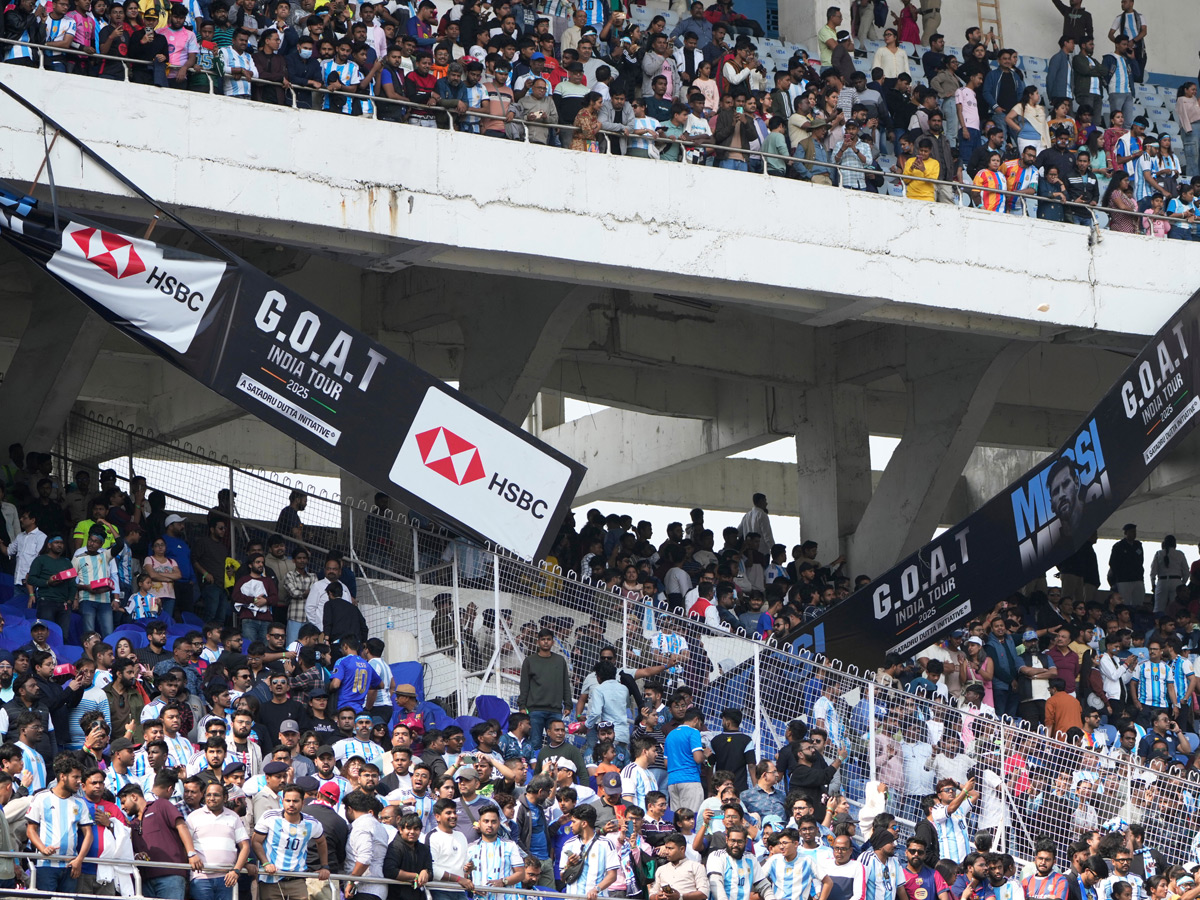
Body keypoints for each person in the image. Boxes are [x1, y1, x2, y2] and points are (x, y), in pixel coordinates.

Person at [26, 755, 93, 894]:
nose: (79, 782)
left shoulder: (80, 803)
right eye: (75, 777)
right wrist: (43, 848)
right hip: (46, 865)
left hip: (70, 865)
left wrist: (79, 860)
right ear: (63, 776)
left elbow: (89, 835)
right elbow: (31, 830)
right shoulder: (41, 798)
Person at [253, 783, 331, 899]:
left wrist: (325, 866)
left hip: (297, 879)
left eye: (295, 801)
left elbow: (321, 842)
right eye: (288, 800)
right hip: (271, 879)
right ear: (282, 801)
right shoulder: (269, 817)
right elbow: (255, 841)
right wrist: (266, 863)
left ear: (302, 803)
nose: (291, 804)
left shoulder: (312, 823)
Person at [188, 781, 251, 900]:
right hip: (201, 878)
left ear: (225, 798)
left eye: (216, 795)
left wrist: (236, 870)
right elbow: (185, 843)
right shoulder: (193, 816)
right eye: (208, 795)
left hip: (227, 877)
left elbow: (245, 846)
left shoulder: (234, 817)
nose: (212, 798)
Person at [518, 628, 571, 751]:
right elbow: (524, 685)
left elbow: (565, 684)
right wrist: (522, 706)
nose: (546, 642)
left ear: (553, 642)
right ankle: (534, 769)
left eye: (548, 639)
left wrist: (568, 704)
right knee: (535, 743)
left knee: (556, 744)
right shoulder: (529, 661)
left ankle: (553, 769)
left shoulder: (560, 660)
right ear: (538, 642)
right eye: (543, 639)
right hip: (535, 709)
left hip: (555, 709)